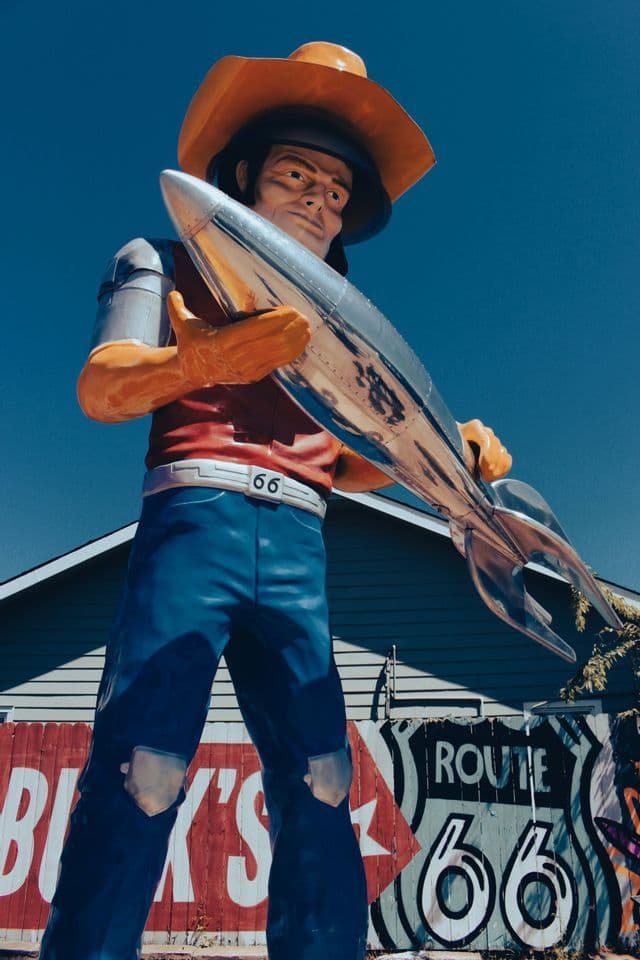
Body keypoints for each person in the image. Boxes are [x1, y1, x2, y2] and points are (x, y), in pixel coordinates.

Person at [39, 42, 512, 960]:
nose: (320, 202)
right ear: (247, 174)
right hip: (193, 524)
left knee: (324, 779)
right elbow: (103, 387)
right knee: (145, 765)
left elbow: (348, 460)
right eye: (298, 174)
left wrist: (451, 461)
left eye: (337, 192)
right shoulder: (165, 256)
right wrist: (200, 361)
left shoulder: (342, 326)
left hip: (302, 542)